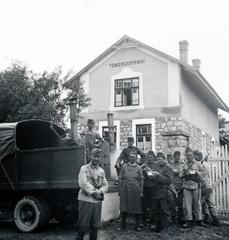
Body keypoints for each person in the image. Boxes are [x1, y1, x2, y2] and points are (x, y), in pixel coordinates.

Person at [76, 148, 108, 240]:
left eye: (98, 157)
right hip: (85, 199)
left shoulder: (101, 171)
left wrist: (100, 191)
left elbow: (105, 185)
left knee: (95, 226)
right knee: (83, 225)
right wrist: (93, 192)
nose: (96, 159)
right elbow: (83, 183)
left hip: (97, 201)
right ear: (91, 156)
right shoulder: (84, 168)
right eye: (94, 156)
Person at [179, 148, 206, 228]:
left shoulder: (197, 164)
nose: (189, 156)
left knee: (197, 203)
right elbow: (180, 175)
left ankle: (199, 220)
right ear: (186, 156)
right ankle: (189, 220)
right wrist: (184, 173)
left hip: (195, 185)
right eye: (187, 155)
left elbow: (204, 173)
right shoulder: (184, 164)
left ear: (193, 156)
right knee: (187, 204)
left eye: (190, 155)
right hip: (187, 185)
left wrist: (196, 172)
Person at [118, 152, 144, 231]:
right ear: (129, 158)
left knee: (137, 207)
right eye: (131, 157)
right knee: (124, 207)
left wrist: (141, 192)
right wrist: (119, 189)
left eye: (134, 157)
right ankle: (123, 226)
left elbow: (141, 180)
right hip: (125, 189)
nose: (132, 158)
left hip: (135, 189)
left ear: (136, 159)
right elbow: (120, 178)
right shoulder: (124, 166)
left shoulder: (139, 168)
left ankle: (137, 226)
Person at [194, 150, 221, 226]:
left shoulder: (201, 165)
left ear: (198, 156)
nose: (194, 158)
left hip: (204, 186)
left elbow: (201, 175)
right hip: (209, 185)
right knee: (209, 202)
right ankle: (213, 219)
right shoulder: (205, 164)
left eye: (195, 156)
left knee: (199, 202)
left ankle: (205, 218)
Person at [150, 152, 173, 232]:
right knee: (155, 208)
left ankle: (167, 225)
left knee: (164, 209)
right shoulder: (157, 167)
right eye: (157, 159)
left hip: (164, 191)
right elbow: (153, 177)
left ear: (164, 159)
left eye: (160, 159)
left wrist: (158, 175)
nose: (158, 161)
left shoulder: (168, 167)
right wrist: (151, 175)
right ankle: (157, 224)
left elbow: (169, 180)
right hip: (156, 190)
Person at [141, 150, 158, 225]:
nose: (150, 159)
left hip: (153, 187)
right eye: (149, 157)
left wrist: (149, 171)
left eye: (151, 157)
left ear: (154, 158)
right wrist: (144, 170)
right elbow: (142, 175)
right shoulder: (144, 165)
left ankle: (152, 220)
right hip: (146, 186)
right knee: (144, 205)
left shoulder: (156, 166)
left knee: (153, 204)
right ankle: (144, 220)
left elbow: (154, 176)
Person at [170, 151, 184, 224]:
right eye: (176, 156)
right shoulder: (171, 164)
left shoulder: (182, 165)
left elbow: (182, 175)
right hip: (173, 186)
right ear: (174, 156)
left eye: (179, 156)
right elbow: (171, 174)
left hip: (180, 186)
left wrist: (181, 187)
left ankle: (180, 219)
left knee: (180, 204)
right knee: (172, 203)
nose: (178, 157)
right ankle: (173, 218)